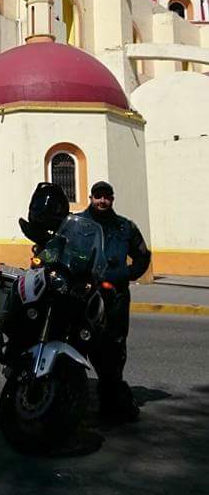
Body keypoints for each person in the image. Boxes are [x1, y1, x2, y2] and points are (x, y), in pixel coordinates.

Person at [82, 180, 151, 422]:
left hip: (115, 297)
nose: (102, 201)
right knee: (84, 341)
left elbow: (143, 256)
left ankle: (111, 401)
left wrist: (126, 275)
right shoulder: (80, 224)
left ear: (112, 199)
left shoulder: (125, 227)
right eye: (98, 196)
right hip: (84, 293)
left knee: (114, 347)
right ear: (90, 197)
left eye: (107, 197)